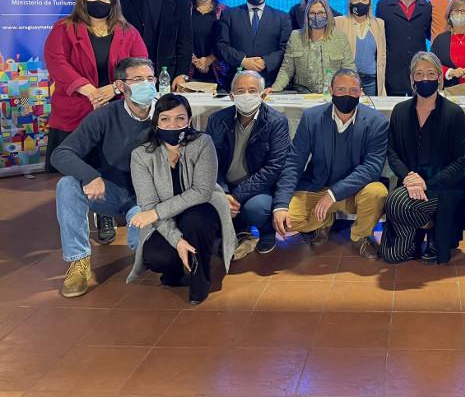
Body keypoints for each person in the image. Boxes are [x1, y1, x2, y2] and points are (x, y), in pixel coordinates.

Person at [51, 57, 156, 298]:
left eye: (150, 79)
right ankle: (78, 262)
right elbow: (62, 153)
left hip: (148, 199)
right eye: (138, 80)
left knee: (149, 252)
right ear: (120, 86)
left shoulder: (166, 114)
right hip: (109, 191)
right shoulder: (105, 115)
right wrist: (90, 176)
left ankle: (143, 245)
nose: (146, 85)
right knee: (67, 185)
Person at [127, 94, 236, 305]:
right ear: (156, 122)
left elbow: (201, 191)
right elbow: (148, 204)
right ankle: (176, 269)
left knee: (196, 221)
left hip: (202, 207)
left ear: (189, 121)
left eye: (180, 118)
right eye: (165, 118)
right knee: (157, 257)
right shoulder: (141, 155)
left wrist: (156, 213)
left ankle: (200, 282)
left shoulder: (203, 143)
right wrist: (177, 241)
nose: (173, 124)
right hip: (165, 218)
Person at [272, 70, 388, 260]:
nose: (347, 95)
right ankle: (323, 221)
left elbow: (372, 167)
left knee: (378, 193)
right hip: (318, 187)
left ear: (361, 92)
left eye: (353, 90)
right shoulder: (312, 117)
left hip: (356, 191)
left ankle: (360, 236)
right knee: (286, 220)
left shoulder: (377, 122)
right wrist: (281, 205)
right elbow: (294, 162)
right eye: (341, 89)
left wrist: (333, 194)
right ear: (331, 90)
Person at [44, 0, 147, 173]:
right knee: (73, 172)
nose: (99, 2)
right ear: (83, 0)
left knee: (114, 171)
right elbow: (56, 61)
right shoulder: (64, 28)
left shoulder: (128, 31)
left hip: (116, 106)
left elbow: (141, 66)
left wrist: (115, 87)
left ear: (113, 2)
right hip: (75, 107)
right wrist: (90, 91)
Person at [380, 52, 465, 264]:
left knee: (396, 202)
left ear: (440, 78)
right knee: (391, 256)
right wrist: (409, 177)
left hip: (442, 189)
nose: (425, 79)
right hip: (409, 185)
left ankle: (433, 228)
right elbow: (391, 152)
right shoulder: (400, 111)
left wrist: (427, 183)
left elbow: (461, 161)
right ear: (411, 79)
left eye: (431, 74)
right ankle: (419, 229)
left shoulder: (454, 113)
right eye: (419, 74)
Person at [206, 70, 289, 259]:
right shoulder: (217, 120)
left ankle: (266, 231)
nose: (246, 95)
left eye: (252, 90)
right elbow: (210, 161)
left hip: (259, 187)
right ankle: (238, 230)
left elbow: (274, 167)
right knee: (208, 208)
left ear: (263, 94)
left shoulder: (276, 122)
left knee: (257, 208)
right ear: (231, 95)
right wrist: (224, 193)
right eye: (240, 91)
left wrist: (236, 195)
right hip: (226, 186)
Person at [118, 0, 192, 89]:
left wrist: (182, 74)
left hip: (166, 75)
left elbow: (185, 42)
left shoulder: (181, 3)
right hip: (130, 74)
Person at [217, 0, 293, 89]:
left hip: (270, 83)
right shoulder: (229, 15)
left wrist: (266, 62)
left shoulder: (282, 17)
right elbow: (221, 45)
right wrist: (242, 60)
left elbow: (285, 48)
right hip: (237, 82)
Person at [271, 0, 355, 93]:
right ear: (307, 16)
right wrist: (275, 89)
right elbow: (287, 69)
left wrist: (353, 89)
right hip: (304, 95)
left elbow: (349, 69)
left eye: (321, 13)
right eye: (312, 13)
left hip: (332, 94)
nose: (316, 17)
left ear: (328, 15)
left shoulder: (340, 38)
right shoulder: (296, 37)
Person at [376, 0, 432, 96]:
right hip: (392, 70)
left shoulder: (426, 6)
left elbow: (430, 35)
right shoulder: (383, 5)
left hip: (419, 69)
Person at [334, 0, 387, 96]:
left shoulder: (379, 23)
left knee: (369, 112)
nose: (360, 2)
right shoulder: (339, 22)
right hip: (347, 79)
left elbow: (382, 53)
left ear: (369, 3)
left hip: (370, 80)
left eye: (364, 0)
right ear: (350, 3)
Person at [186, 0, 228, 86]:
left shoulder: (225, 12)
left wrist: (209, 60)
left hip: (219, 74)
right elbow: (180, 40)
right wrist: (196, 62)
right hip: (188, 72)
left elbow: (227, 42)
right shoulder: (184, 10)